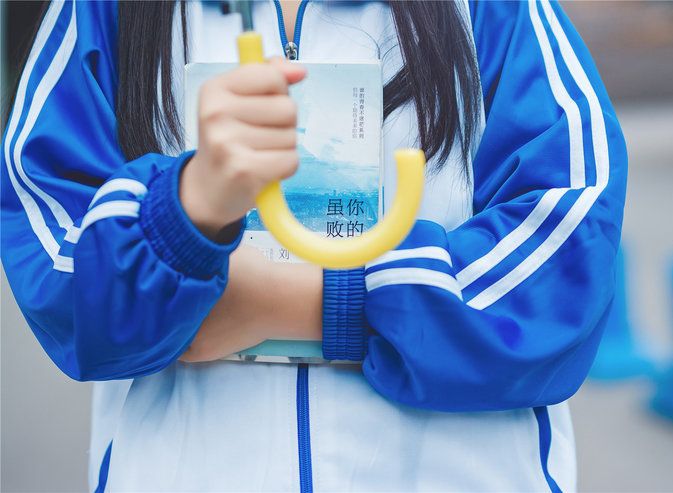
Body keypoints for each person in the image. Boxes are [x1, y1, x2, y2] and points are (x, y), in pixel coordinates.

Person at [1, 0, 627, 491]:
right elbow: (59, 271)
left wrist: (316, 304)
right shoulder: (107, 11)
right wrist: (186, 210)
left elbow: (566, 256)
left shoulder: (491, 9)